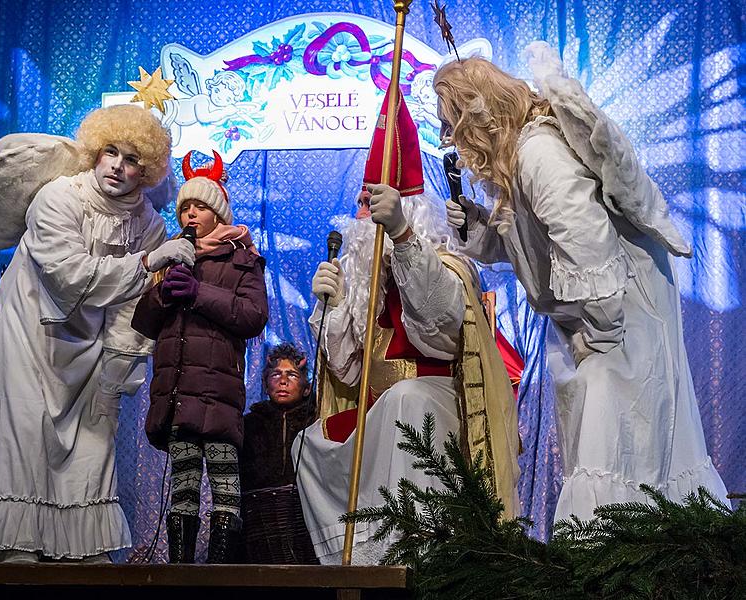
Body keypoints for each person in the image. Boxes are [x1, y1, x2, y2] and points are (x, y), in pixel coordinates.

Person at [433, 48, 729, 524]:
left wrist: (601, 332)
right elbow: (530, 244)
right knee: (624, 445)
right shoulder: (520, 156)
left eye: (452, 124)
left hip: (618, 314)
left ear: (476, 117)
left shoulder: (537, 153)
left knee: (620, 443)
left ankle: (621, 555)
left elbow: (586, 241)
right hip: (597, 315)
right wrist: (479, 227)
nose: (449, 138)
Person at [294, 88, 520, 565]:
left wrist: (401, 235)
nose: (365, 214)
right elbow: (350, 376)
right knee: (307, 443)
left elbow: (439, 332)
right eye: (361, 203)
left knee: (407, 400)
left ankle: (418, 551)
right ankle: (357, 556)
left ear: (408, 206)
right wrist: (333, 309)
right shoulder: (362, 284)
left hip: (438, 396)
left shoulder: (442, 263)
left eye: (374, 201)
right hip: (382, 404)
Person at [0, 104, 196, 563]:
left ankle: (81, 544)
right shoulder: (59, 197)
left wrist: (115, 371)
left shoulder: (149, 223)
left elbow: (134, 307)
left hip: (90, 341)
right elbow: (67, 276)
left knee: (93, 434)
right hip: (30, 331)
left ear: (145, 171)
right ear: (96, 151)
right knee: (23, 432)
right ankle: (14, 545)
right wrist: (148, 262)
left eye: (132, 160)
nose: (117, 166)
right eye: (110, 152)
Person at [131, 150, 269, 564]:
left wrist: (199, 293)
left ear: (218, 213)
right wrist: (161, 294)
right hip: (177, 393)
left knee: (225, 482)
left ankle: (221, 571)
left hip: (218, 392)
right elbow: (145, 321)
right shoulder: (170, 255)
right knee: (183, 485)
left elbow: (252, 315)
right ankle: (180, 570)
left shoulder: (242, 259)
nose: (191, 215)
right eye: (185, 207)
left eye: (201, 207)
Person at [239, 343, 318, 564]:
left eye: (292, 375)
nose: (283, 381)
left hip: (304, 523)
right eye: (276, 375)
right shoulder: (250, 424)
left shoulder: (316, 422)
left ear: (306, 388)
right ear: (265, 384)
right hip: (260, 523)